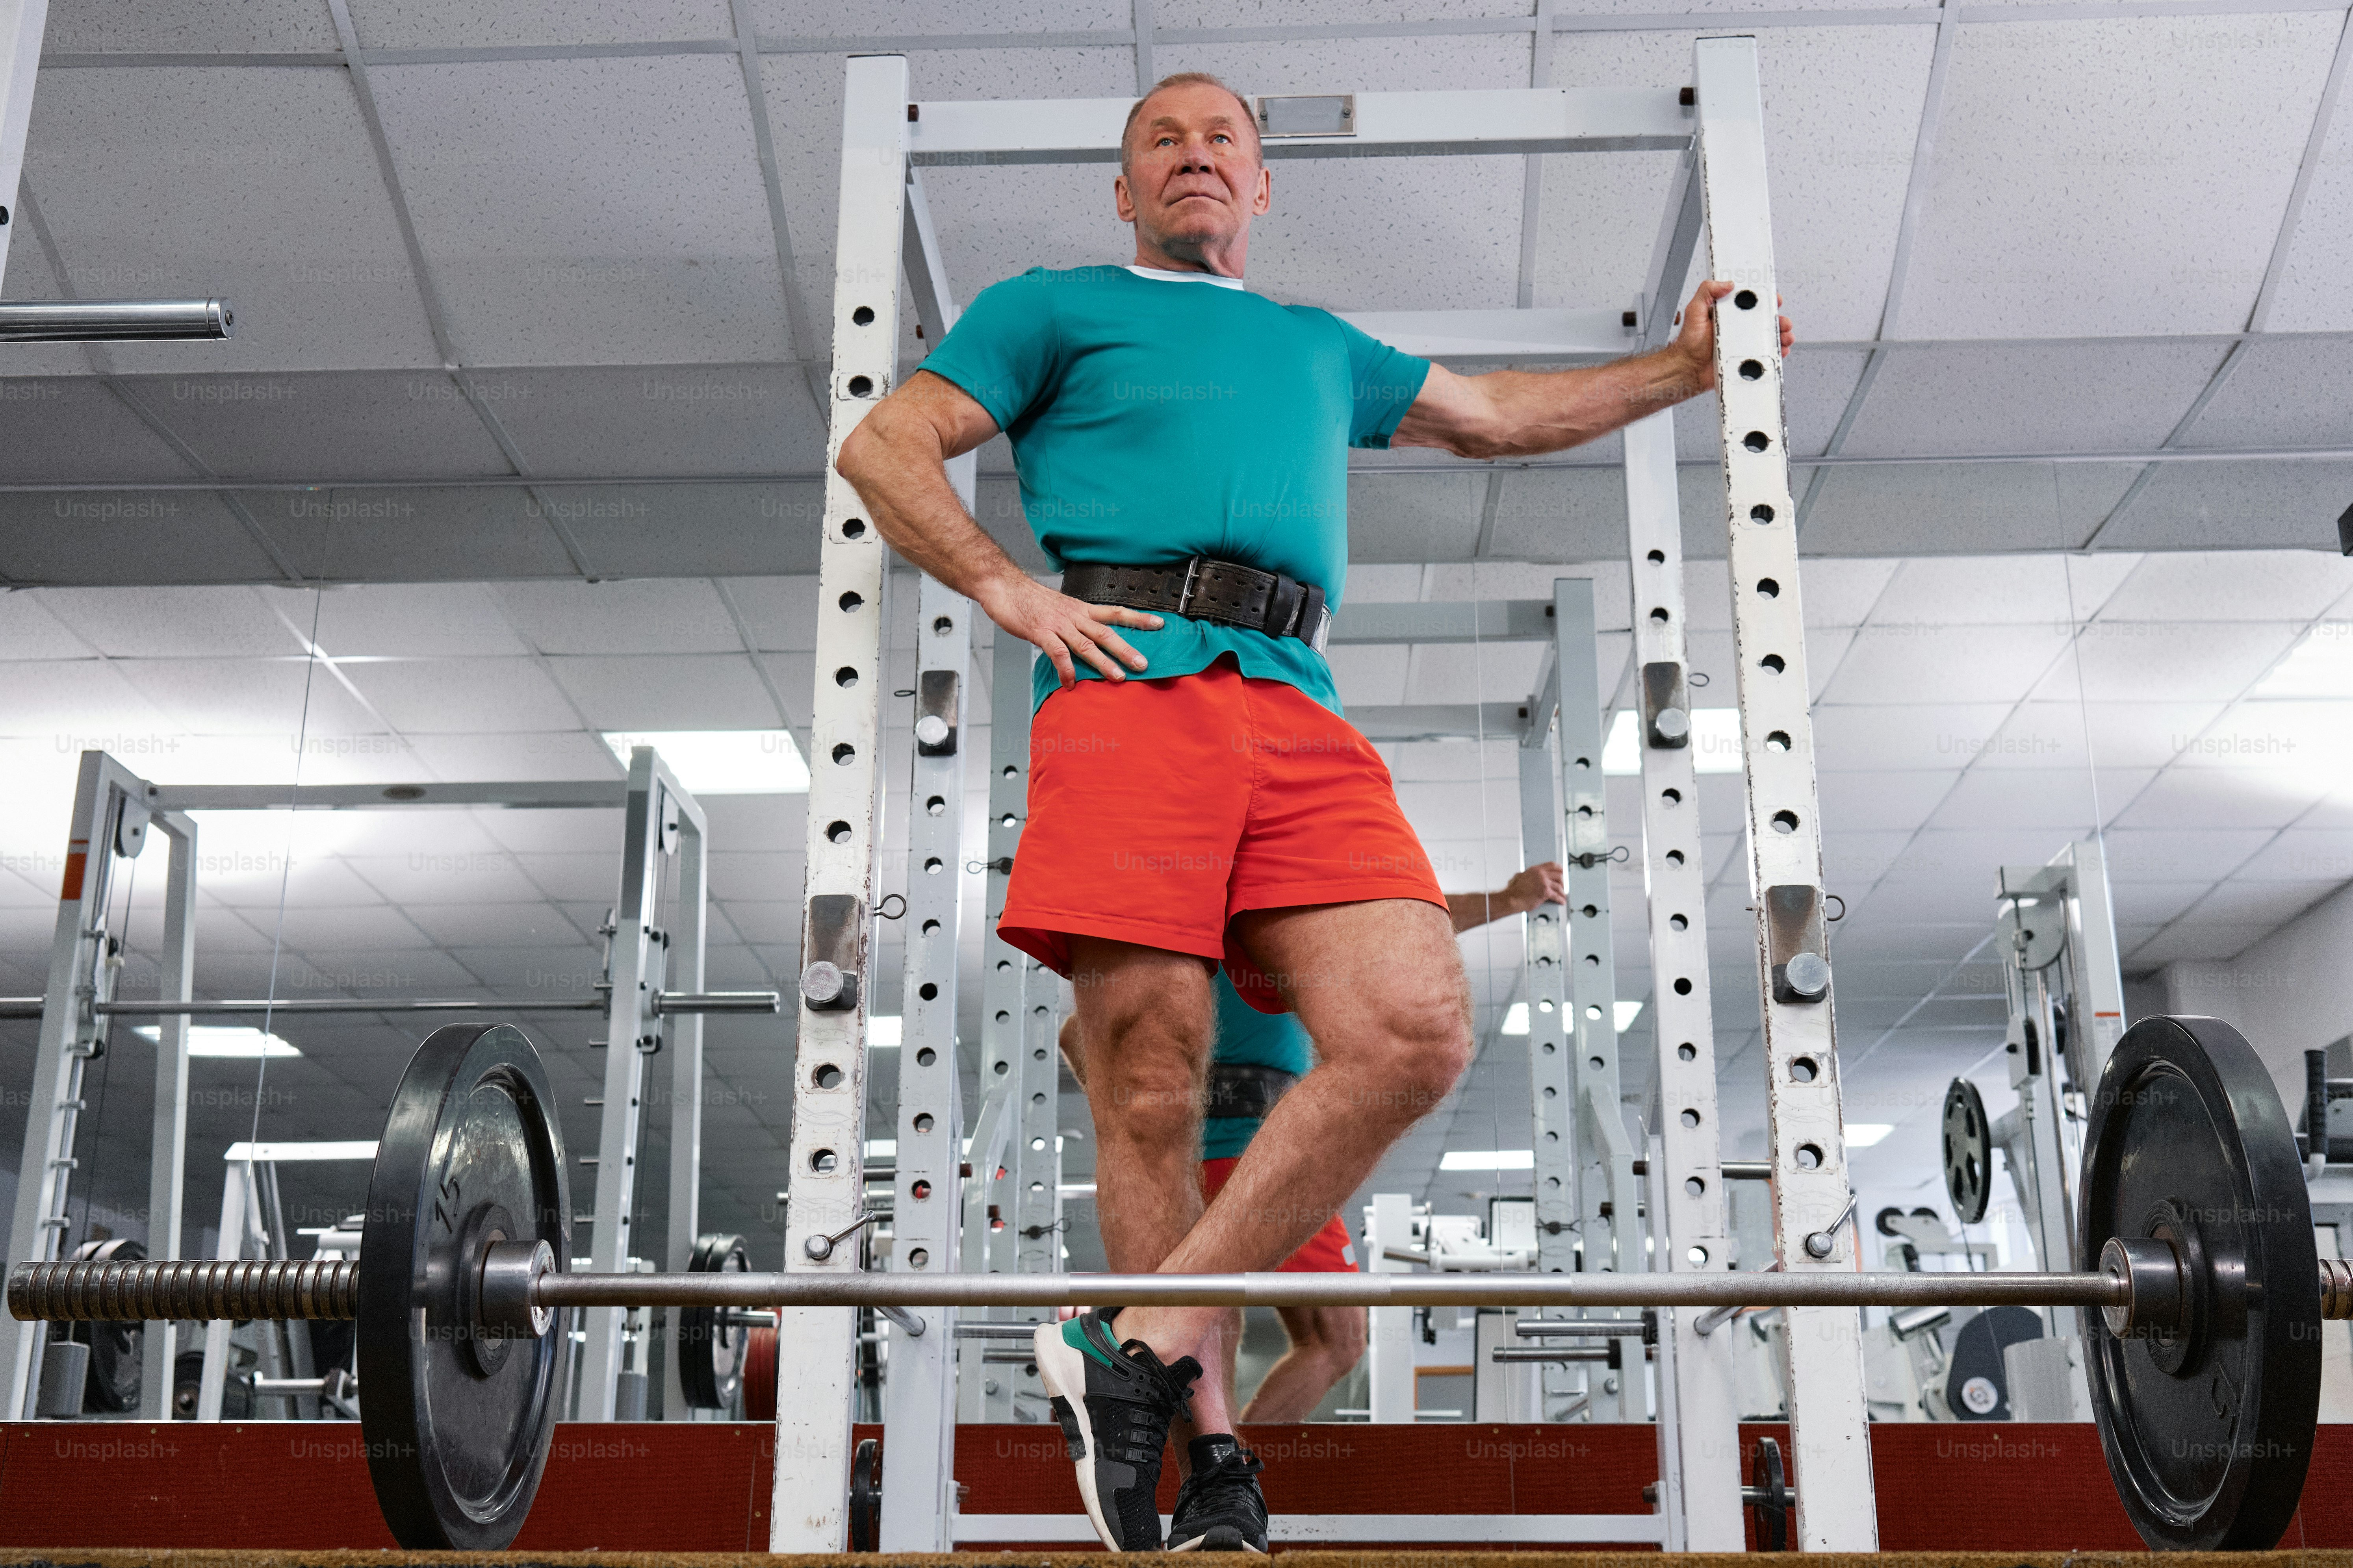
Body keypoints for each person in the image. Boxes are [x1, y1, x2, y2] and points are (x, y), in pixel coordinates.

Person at [835, 70, 1791, 1554]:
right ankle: (1212, 1458)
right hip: (1127, 676)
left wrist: (1682, 370)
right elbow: (884, 445)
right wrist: (1007, 590)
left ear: (1262, 184)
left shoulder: (1317, 345)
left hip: (1293, 699)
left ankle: (1134, 1342)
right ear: (1124, 188)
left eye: (1222, 138)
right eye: (1161, 139)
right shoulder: (1050, 308)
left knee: (1412, 1028)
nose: (1193, 155)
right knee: (1150, 1078)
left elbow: (1496, 414)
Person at [1058, 863, 1568, 1427]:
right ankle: (1225, 1457)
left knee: (1208, 1323)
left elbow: (1075, 1034)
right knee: (1334, 1338)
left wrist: (1137, 1118)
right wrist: (1507, 898)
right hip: (1255, 1157)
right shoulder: (1259, 917)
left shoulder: (1168, 949)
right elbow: (1406, 926)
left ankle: (1214, 1457)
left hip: (1194, 1163)